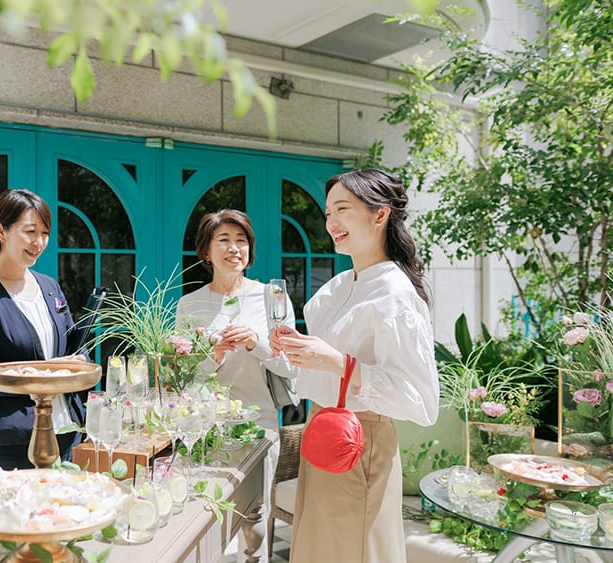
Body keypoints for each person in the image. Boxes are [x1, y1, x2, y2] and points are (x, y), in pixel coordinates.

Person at [270, 169, 439, 563]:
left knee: (353, 552)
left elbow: (421, 400)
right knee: (317, 550)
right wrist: (298, 351)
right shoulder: (341, 286)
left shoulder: (396, 295)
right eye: (328, 212)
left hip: (360, 442)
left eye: (343, 210)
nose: (332, 223)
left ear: (379, 215)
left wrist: (339, 363)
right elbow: (322, 370)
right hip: (321, 434)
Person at [176, 209, 297, 563]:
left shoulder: (271, 297)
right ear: (206, 252)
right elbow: (183, 379)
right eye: (224, 241)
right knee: (208, 514)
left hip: (259, 424)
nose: (234, 249)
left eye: (241, 241)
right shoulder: (190, 304)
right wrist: (211, 355)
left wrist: (256, 343)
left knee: (256, 513)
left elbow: (291, 367)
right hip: (206, 427)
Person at [0, 188, 84, 474]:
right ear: (1, 230)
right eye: (30, 231)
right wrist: (43, 373)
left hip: (67, 434)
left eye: (45, 233)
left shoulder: (50, 287)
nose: (39, 242)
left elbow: (72, 347)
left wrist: (79, 360)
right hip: (11, 446)